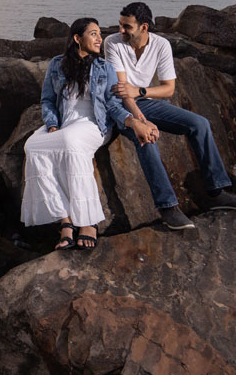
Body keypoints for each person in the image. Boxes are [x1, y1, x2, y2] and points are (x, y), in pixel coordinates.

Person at [104, 1, 236, 230]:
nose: (120, 30)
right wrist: (141, 121)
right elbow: (122, 92)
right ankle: (167, 207)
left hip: (143, 100)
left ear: (144, 27)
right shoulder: (113, 43)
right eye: (120, 25)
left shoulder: (161, 45)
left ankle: (217, 193)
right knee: (146, 139)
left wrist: (141, 92)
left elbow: (168, 89)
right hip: (120, 108)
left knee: (199, 123)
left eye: (126, 26)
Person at [22, 17, 159, 250]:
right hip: (64, 123)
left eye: (99, 34)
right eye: (93, 34)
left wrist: (134, 122)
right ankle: (65, 221)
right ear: (77, 38)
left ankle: (88, 222)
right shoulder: (56, 64)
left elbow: (114, 104)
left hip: (93, 124)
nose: (99, 38)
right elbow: (47, 100)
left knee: (70, 141)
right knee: (32, 146)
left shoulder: (105, 68)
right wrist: (52, 124)